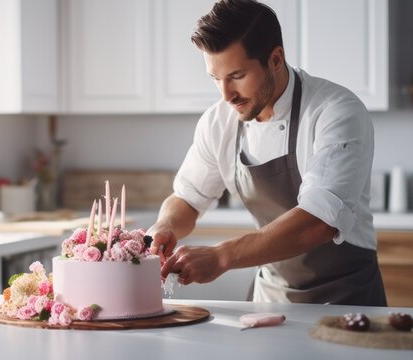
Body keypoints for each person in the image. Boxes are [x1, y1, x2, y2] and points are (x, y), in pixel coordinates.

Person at [147, 0, 386, 306]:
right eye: (215, 79)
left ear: (275, 58)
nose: (226, 95)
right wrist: (164, 226)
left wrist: (222, 256)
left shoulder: (335, 111)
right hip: (271, 297)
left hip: (346, 296)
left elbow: (318, 221)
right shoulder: (218, 121)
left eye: (237, 76)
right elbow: (187, 198)